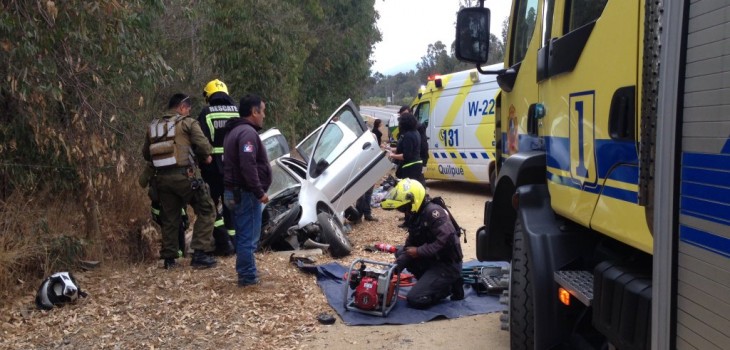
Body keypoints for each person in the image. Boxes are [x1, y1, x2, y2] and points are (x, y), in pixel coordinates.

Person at [142, 93, 218, 269]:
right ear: (182, 107)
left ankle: (169, 259)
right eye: (188, 108)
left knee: (170, 217)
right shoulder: (188, 123)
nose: (189, 111)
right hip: (186, 177)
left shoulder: (153, 126)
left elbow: (147, 154)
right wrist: (205, 156)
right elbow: (204, 147)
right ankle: (199, 253)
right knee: (207, 209)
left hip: (161, 180)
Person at [380, 178, 464, 308]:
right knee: (402, 252)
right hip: (433, 258)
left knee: (415, 299)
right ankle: (430, 282)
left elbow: (446, 240)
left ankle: (447, 287)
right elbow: (410, 243)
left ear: (414, 200)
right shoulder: (415, 214)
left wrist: (419, 251)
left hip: (447, 264)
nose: (404, 211)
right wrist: (393, 270)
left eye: (404, 208)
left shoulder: (434, 213)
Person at [222, 94, 272, 287]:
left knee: (243, 233)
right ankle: (248, 277)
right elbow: (248, 165)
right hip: (244, 193)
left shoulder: (234, 131)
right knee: (248, 237)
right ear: (254, 111)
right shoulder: (247, 134)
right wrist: (259, 192)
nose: (264, 115)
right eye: (263, 111)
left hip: (233, 191)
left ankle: (246, 272)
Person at [198, 79, 237, 256]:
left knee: (210, 207)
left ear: (209, 96)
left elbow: (201, 141)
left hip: (212, 169)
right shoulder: (237, 111)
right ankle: (234, 243)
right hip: (233, 168)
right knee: (231, 206)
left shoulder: (206, 113)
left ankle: (223, 243)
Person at [389, 112, 425, 187]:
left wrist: (392, 155)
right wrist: (391, 149)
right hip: (417, 163)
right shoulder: (416, 132)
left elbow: (406, 155)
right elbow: (408, 148)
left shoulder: (408, 136)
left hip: (410, 167)